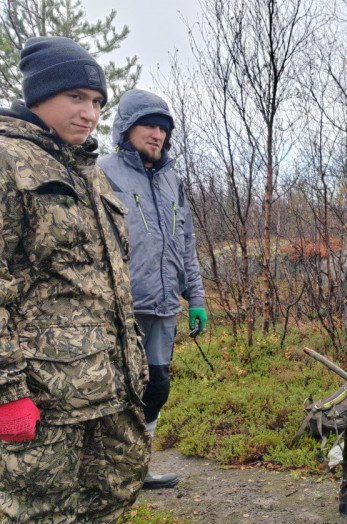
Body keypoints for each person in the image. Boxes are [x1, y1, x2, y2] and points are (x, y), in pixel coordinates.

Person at [0, 37, 149, 524]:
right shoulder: (9, 161)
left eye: (95, 101)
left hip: (105, 383)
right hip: (42, 392)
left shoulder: (89, 171)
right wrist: (7, 391)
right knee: (36, 516)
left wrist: (139, 368)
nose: (88, 113)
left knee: (113, 485)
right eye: (74, 96)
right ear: (39, 96)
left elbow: (106, 284)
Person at [99, 89, 206, 490]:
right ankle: (111, 472)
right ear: (126, 128)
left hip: (163, 307)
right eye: (148, 125)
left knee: (156, 387)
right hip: (120, 309)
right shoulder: (102, 172)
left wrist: (195, 299)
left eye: (163, 128)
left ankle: (140, 467)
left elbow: (186, 242)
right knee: (116, 390)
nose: (157, 134)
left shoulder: (172, 180)